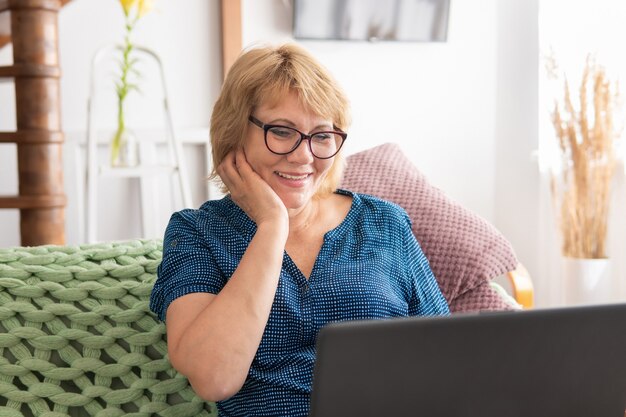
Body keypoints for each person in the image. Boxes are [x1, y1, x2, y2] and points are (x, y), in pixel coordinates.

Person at [149, 43, 450, 416]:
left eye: (322, 136)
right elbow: (214, 378)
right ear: (235, 132)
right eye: (282, 131)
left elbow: (447, 362)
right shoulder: (196, 233)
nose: (303, 156)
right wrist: (272, 226)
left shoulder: (384, 223)